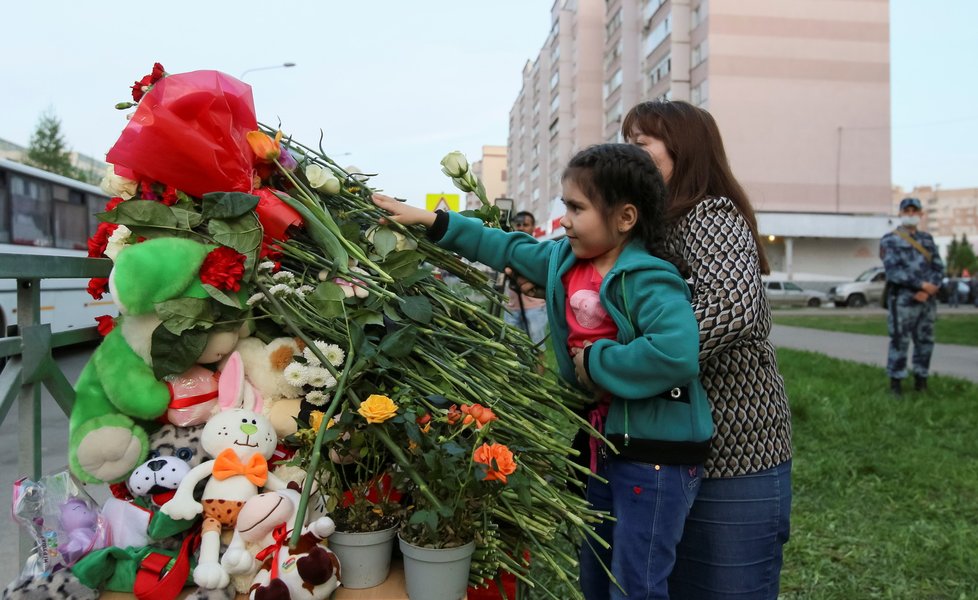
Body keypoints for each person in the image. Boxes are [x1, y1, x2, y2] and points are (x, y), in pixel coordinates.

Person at [373, 143, 714, 600]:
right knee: (597, 570)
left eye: (577, 207)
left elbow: (676, 355)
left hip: (655, 456)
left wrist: (595, 361)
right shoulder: (565, 262)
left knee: (637, 579)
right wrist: (434, 221)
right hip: (604, 445)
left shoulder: (649, 277)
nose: (566, 218)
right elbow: (505, 246)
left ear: (625, 218)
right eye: (564, 205)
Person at [622, 100, 793, 599]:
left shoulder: (708, 214)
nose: (627, 154)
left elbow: (734, 304)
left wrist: (631, 363)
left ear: (684, 149)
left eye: (640, 144)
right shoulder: (649, 232)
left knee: (727, 586)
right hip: (669, 453)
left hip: (737, 451)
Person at [879, 197, 944, 395]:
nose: (911, 214)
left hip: (927, 300)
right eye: (907, 211)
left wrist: (929, 289)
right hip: (903, 299)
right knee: (900, 340)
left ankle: (921, 379)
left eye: (914, 211)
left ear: (921, 214)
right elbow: (893, 271)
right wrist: (921, 285)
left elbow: (938, 266)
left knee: (925, 340)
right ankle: (896, 382)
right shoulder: (890, 239)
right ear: (900, 213)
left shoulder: (927, 239)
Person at [503, 211, 548, 347]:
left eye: (525, 224)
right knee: (511, 346)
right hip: (512, 305)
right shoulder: (509, 249)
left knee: (537, 346)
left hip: (535, 306)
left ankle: (536, 369)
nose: (521, 228)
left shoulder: (540, 250)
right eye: (518, 224)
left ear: (534, 227)